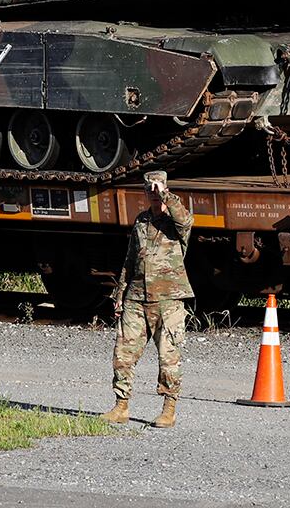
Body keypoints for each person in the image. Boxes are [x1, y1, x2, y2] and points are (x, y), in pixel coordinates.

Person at [100, 169, 194, 428]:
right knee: (123, 353)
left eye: (159, 187)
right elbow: (130, 261)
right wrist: (120, 293)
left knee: (168, 357)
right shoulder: (141, 221)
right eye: (149, 188)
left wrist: (165, 194)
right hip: (137, 298)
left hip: (168, 300)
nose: (154, 192)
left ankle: (169, 409)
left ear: (166, 188)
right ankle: (121, 406)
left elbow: (185, 221)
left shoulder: (176, 221)